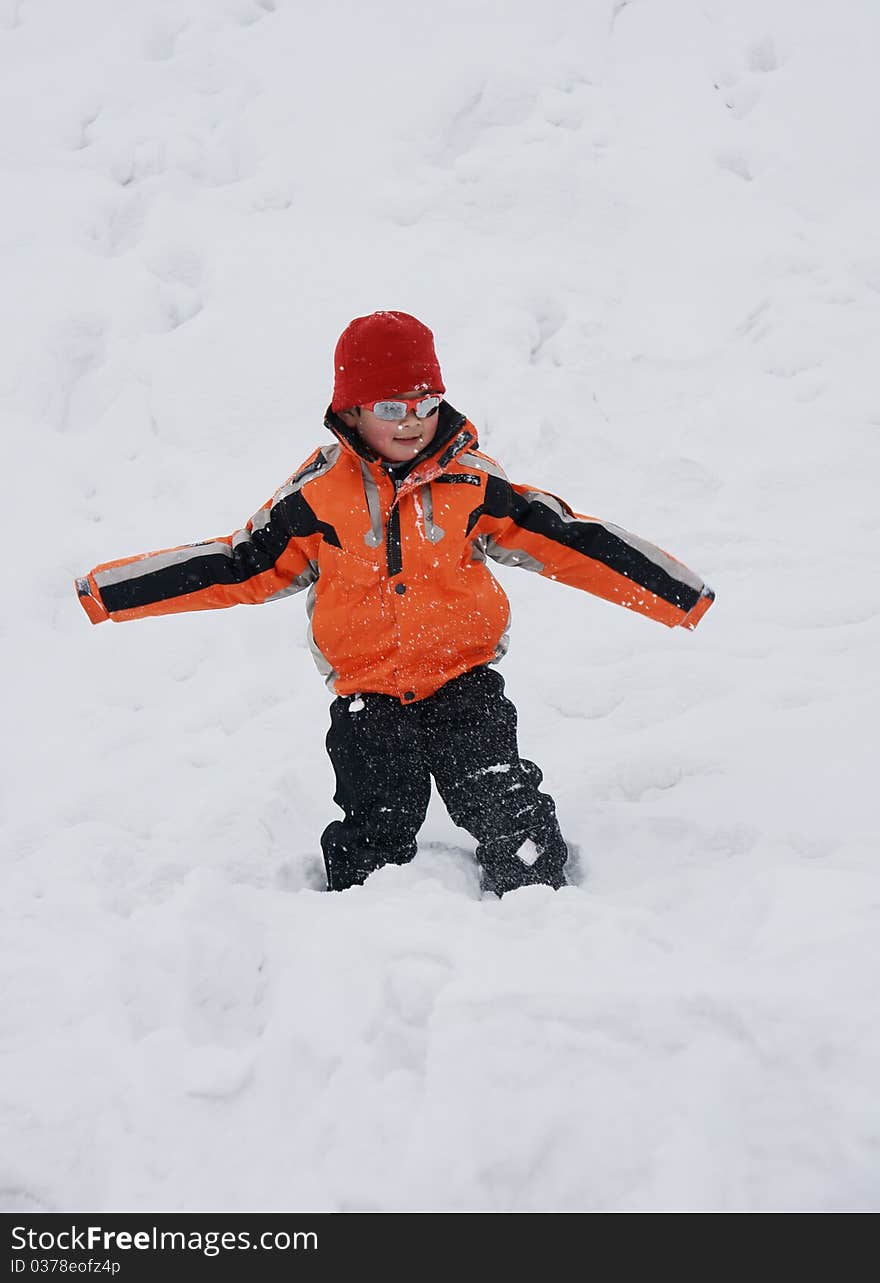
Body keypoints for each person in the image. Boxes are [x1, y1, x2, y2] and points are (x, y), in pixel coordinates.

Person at [76, 310, 715, 895]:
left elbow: (567, 540)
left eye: (425, 402)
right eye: (390, 405)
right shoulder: (318, 497)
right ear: (351, 412)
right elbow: (240, 564)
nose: (412, 420)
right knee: (375, 821)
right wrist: (114, 592)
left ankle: (536, 898)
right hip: (367, 694)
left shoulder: (472, 484)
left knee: (501, 797)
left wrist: (673, 594)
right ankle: (363, 920)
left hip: (464, 680)